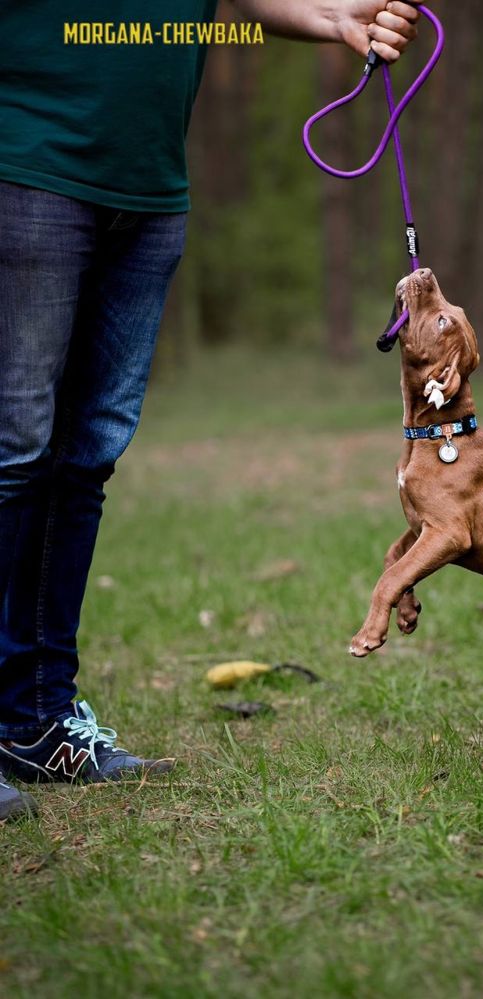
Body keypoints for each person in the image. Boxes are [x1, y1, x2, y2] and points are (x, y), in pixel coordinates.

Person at [0, 0, 421, 819]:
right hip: (28, 164)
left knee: (84, 457)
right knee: (12, 451)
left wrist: (333, 16)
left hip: (149, 187)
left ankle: (36, 720)